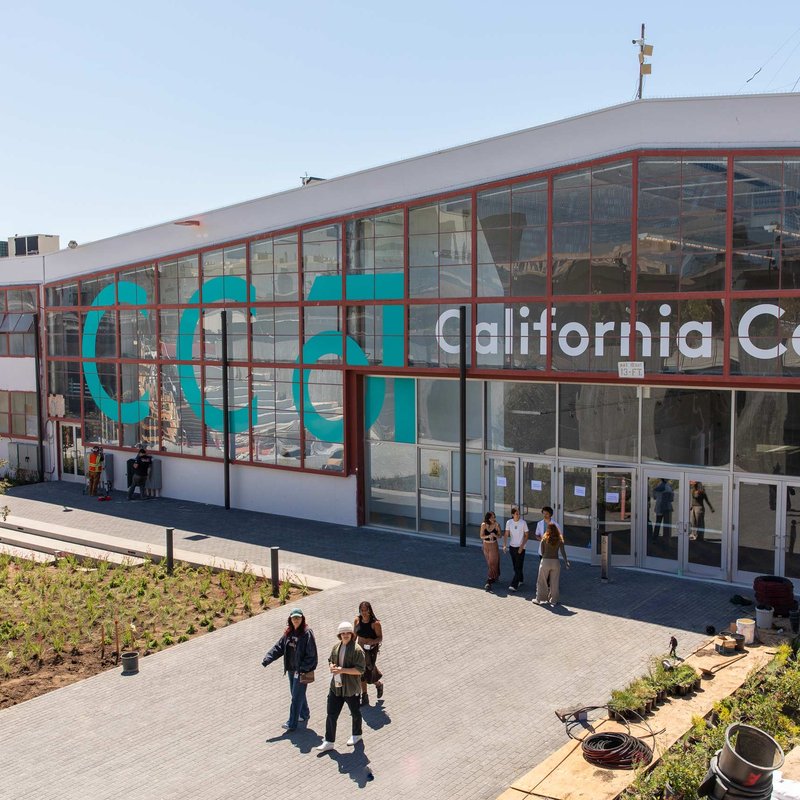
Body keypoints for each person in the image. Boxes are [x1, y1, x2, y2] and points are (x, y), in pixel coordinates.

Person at [261, 608, 318, 731]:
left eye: (298, 618)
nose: (296, 620)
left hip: (301, 671)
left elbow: (311, 654)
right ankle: (304, 714)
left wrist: (303, 668)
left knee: (296, 697)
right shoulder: (288, 633)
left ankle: (292, 723)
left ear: (302, 619)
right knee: (296, 693)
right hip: (291, 670)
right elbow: (279, 647)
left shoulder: (307, 633)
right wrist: (268, 658)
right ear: (290, 619)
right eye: (294, 618)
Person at [317, 621, 366, 752]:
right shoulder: (335, 647)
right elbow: (330, 660)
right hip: (336, 687)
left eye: (347, 633)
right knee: (331, 714)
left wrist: (342, 670)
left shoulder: (357, 650)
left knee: (355, 713)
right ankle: (329, 741)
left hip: (351, 689)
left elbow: (360, 670)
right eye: (342, 633)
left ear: (351, 634)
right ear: (339, 635)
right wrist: (331, 667)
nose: (345, 635)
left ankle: (357, 734)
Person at [354, 601, 383, 705]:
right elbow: (354, 635)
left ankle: (378, 684)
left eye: (366, 610)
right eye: (362, 610)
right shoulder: (357, 620)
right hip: (359, 649)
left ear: (370, 610)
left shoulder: (375, 623)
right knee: (363, 671)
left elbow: (380, 638)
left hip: (370, 650)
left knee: (367, 671)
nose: (364, 613)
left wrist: (372, 642)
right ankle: (365, 696)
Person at [533, 523, 570, 605]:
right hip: (555, 562)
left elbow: (542, 551)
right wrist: (566, 561)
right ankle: (553, 600)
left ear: (548, 529)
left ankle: (539, 599)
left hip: (545, 561)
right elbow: (563, 551)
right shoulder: (560, 539)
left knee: (542, 581)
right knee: (554, 582)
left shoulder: (544, 538)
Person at [502, 506, 529, 592]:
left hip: (521, 548)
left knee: (518, 566)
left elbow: (527, 535)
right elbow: (506, 534)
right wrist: (504, 545)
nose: (518, 515)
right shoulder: (509, 522)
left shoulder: (523, 523)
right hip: (512, 547)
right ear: (512, 514)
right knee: (516, 566)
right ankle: (520, 580)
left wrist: (521, 547)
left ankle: (514, 585)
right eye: (516, 513)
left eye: (519, 513)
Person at [479, 511, 502, 591]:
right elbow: (481, 536)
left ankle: (488, 581)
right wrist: (488, 536)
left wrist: (495, 535)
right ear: (488, 518)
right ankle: (495, 576)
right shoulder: (483, 525)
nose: (494, 519)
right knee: (490, 563)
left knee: (492, 562)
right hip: (486, 545)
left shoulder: (497, 525)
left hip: (493, 545)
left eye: (494, 517)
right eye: (492, 517)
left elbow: (500, 535)